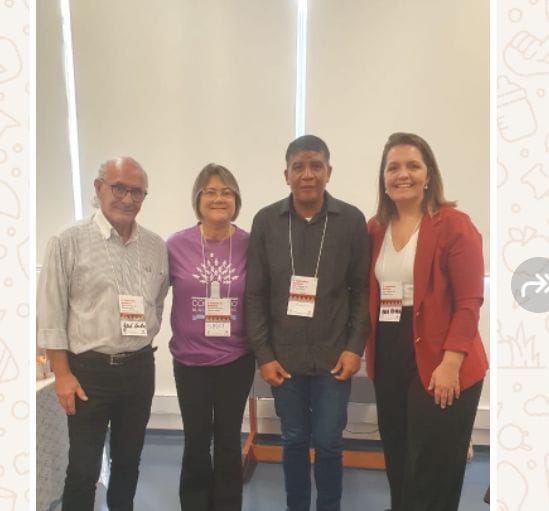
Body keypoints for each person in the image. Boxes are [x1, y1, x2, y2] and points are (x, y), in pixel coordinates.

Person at [37, 157, 170, 511]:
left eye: (137, 192)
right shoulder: (67, 241)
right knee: (84, 468)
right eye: (119, 188)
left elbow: (157, 300)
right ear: (98, 188)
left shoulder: (155, 246)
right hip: (88, 374)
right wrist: (62, 374)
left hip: (139, 369)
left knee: (128, 461)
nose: (128, 198)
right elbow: (51, 312)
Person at [245, 135, 370, 511]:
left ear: (329, 172)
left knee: (329, 442)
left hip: (334, 357)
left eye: (316, 166)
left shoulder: (351, 221)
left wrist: (354, 348)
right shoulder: (266, 221)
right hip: (283, 359)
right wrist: (264, 355)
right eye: (298, 167)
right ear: (286, 175)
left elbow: (361, 291)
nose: (307, 174)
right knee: (294, 440)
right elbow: (255, 294)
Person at [366, 132, 489, 511]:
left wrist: (451, 363)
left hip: (442, 355)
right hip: (390, 352)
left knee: (433, 468)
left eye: (412, 166)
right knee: (399, 459)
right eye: (393, 168)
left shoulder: (453, 224)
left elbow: (469, 302)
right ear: (384, 178)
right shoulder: (375, 228)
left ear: (429, 175)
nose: (402, 174)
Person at [167, 163, 255, 511]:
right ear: (197, 199)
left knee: (229, 441)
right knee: (196, 440)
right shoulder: (176, 245)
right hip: (190, 361)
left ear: (236, 200)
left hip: (236, 359)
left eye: (227, 192)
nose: (219, 198)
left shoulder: (250, 244)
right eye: (210, 192)